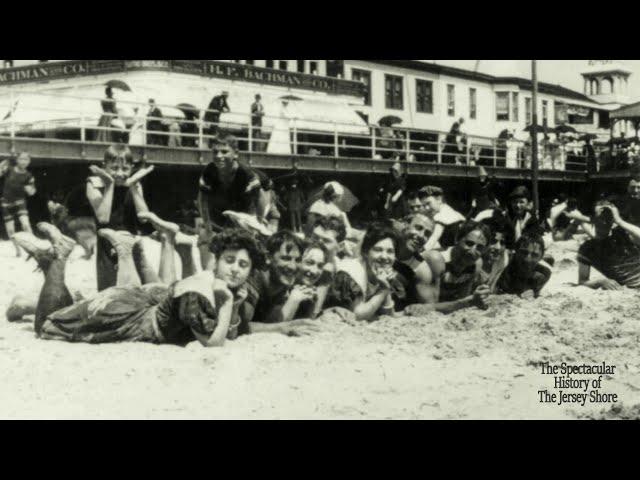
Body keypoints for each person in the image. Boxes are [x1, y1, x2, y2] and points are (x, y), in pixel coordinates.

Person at [13, 220, 266, 347]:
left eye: (243, 265)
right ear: (216, 261)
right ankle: (58, 257)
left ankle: (48, 263)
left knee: (66, 316)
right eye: (229, 261)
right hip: (132, 317)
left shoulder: (215, 286)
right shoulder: (200, 292)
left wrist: (232, 303)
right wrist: (228, 303)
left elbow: (229, 331)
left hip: (140, 304)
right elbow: (213, 343)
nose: (234, 269)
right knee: (49, 327)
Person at [86, 144, 153, 291]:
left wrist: (134, 186)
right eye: (114, 168)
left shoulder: (134, 184)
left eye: (125, 169)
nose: (120, 173)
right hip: (108, 246)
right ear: (104, 167)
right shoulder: (94, 184)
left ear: (131, 167)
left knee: (138, 291)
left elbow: (143, 218)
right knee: (111, 292)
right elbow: (103, 218)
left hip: (131, 243)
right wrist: (109, 185)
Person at [325, 222, 411, 320]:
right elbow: (357, 315)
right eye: (378, 250)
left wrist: (386, 289)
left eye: (390, 251)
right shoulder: (351, 271)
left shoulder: (380, 273)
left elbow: (389, 316)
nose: (384, 256)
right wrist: (384, 290)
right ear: (365, 252)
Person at [247, 230, 322, 335]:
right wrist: (285, 327)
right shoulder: (253, 279)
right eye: (286, 258)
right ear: (268, 258)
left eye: (298, 260)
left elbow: (271, 323)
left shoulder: (282, 285)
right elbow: (240, 327)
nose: (293, 266)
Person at [197, 133, 262, 237]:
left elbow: (258, 203)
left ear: (235, 154)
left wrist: (257, 225)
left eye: (224, 152)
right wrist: (207, 225)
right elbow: (202, 200)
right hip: (221, 216)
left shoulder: (247, 175)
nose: (219, 156)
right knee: (204, 237)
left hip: (244, 215)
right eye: (215, 152)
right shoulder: (209, 171)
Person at [419, 220, 491, 309]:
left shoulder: (476, 264)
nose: (473, 251)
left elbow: (461, 302)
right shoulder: (437, 259)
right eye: (469, 243)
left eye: (479, 248)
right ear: (457, 239)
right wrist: (469, 302)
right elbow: (428, 309)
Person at [576, 201, 640, 290]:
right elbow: (582, 281)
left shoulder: (624, 235)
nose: (604, 222)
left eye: (608, 218)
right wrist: (600, 282)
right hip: (632, 289)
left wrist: (620, 221)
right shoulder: (587, 248)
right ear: (593, 219)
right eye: (600, 218)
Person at [1, 152, 36, 257]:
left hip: (20, 201)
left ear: (29, 162)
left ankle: (34, 247)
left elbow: (32, 192)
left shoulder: (28, 175)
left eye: (26, 160)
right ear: (17, 160)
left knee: (25, 224)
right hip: (6, 202)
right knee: (10, 229)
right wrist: (3, 164)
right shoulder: (9, 169)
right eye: (21, 159)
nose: (24, 162)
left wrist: (29, 189)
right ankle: (18, 251)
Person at [495, 233, 551, 298]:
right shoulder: (504, 268)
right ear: (515, 251)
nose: (527, 259)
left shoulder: (543, 273)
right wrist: (518, 296)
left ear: (541, 257)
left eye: (534, 255)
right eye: (524, 252)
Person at [419, 185, 466, 251]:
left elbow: (435, 236)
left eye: (428, 203)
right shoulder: (451, 211)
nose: (427, 208)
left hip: (452, 250)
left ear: (439, 199)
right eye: (424, 205)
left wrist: (423, 250)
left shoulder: (441, 215)